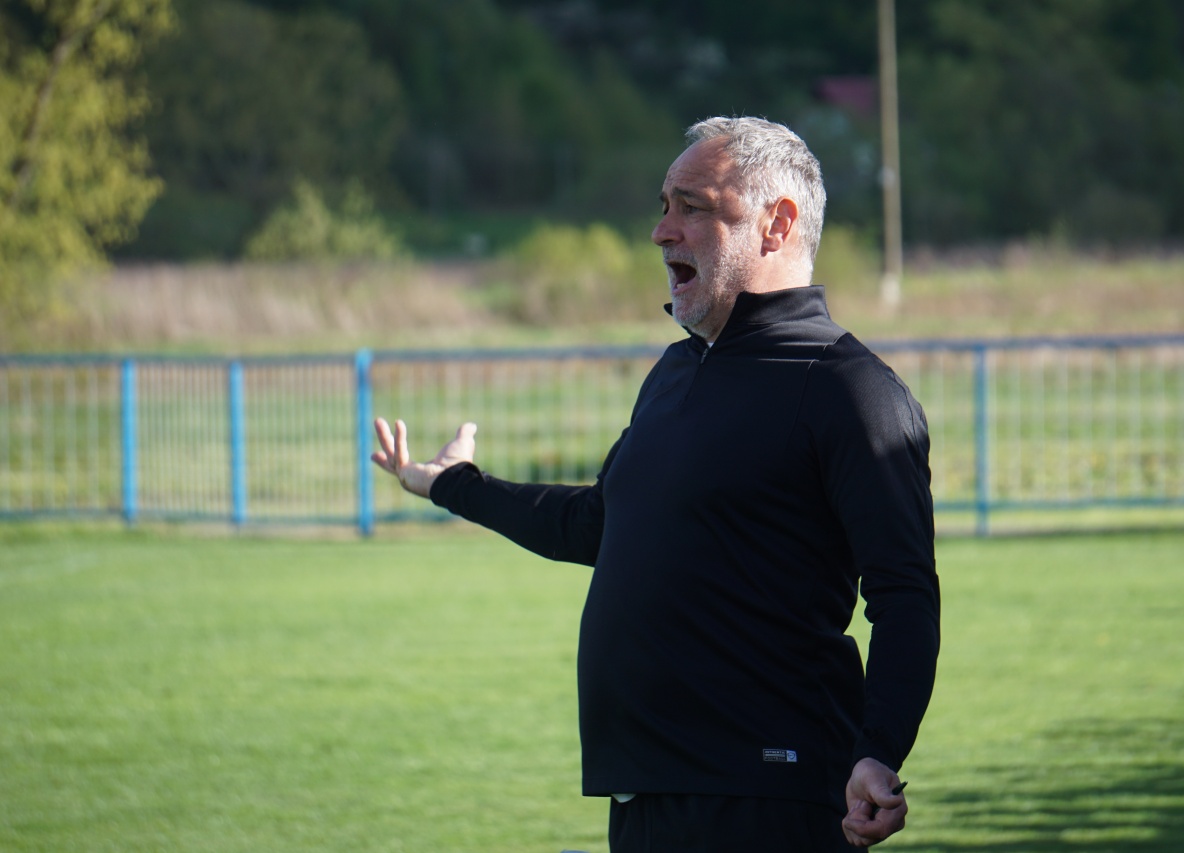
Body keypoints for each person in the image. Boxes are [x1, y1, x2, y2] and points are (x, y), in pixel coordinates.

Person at [372, 116, 940, 851]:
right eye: (664, 205)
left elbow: (904, 593)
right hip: (646, 791)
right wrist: (455, 485)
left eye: (692, 207)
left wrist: (879, 749)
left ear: (777, 224)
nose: (661, 231)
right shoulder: (675, 371)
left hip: (770, 799)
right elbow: (599, 524)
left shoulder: (848, 389)